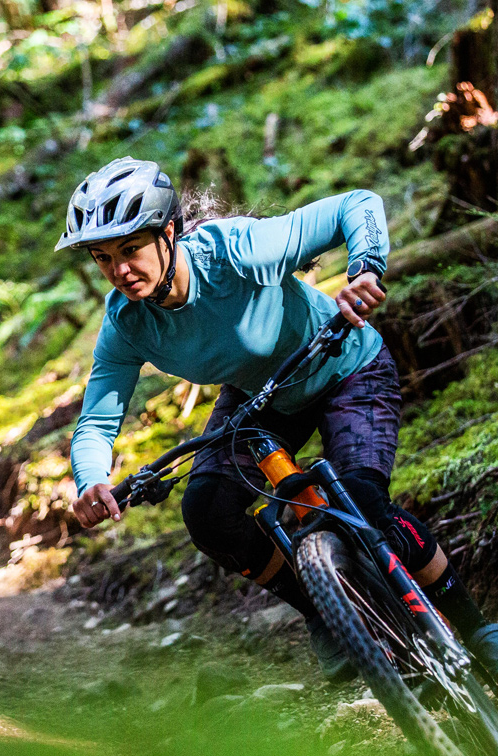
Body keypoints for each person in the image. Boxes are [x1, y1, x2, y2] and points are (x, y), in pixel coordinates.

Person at [58, 156, 498, 681]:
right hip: (261, 398)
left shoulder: (234, 251)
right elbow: (98, 420)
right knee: (208, 511)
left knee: (360, 500)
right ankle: (328, 612)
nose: (120, 270)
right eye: (103, 258)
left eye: (130, 249)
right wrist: (90, 481)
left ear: (168, 232)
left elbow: (357, 205)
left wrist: (366, 271)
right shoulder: (126, 324)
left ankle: (475, 629)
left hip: (344, 366)